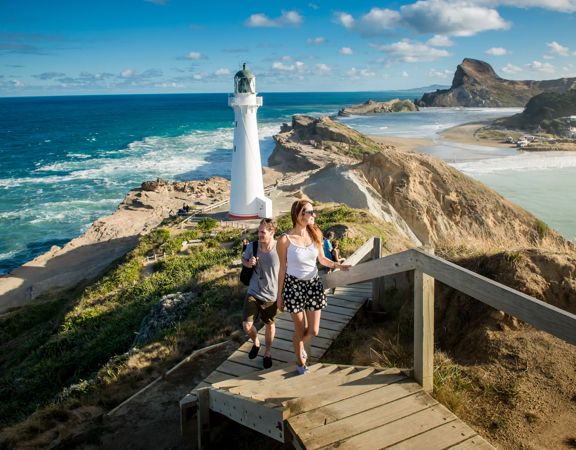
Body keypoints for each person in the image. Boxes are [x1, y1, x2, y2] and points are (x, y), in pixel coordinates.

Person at [277, 200, 350, 375]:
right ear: (299, 215)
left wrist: (338, 266)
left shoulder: (315, 233)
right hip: (293, 287)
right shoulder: (284, 240)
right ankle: (300, 362)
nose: (314, 215)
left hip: (313, 286)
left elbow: (322, 260)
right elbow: (282, 269)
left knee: (314, 331)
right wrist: (279, 296)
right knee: (300, 329)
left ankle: (299, 343)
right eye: (310, 212)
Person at [241, 219, 280, 369]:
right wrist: (248, 263)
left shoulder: (280, 248)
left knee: (269, 324)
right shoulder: (253, 246)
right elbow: (243, 259)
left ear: (272, 232)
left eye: (263, 232)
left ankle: (268, 352)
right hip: (253, 291)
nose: (259, 235)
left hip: (271, 295)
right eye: (259, 231)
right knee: (247, 325)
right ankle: (256, 342)